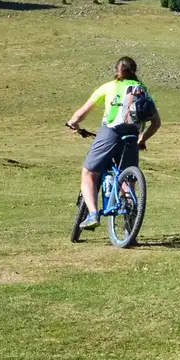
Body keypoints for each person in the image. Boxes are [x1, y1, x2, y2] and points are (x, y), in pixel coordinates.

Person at [66, 56, 161, 230]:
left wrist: (73, 123)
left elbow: (82, 112)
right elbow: (156, 123)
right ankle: (129, 230)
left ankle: (94, 214)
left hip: (110, 132)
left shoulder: (109, 87)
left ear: (116, 71)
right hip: (132, 136)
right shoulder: (142, 90)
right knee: (128, 180)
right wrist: (142, 139)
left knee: (89, 173)